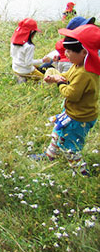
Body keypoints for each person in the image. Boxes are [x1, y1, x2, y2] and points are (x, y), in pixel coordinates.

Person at [30, 24, 100, 177]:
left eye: (68, 51)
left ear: (83, 52)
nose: (65, 54)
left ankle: (81, 173)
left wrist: (59, 83)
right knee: (57, 132)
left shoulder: (85, 73)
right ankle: (49, 156)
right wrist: (54, 76)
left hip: (78, 118)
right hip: (71, 113)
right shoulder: (79, 64)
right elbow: (67, 75)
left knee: (70, 146)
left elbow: (71, 94)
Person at [10, 18, 44, 83]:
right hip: (26, 71)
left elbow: (12, 54)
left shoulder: (13, 42)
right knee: (44, 79)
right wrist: (42, 60)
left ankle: (21, 78)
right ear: (31, 33)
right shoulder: (29, 46)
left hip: (15, 68)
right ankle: (25, 77)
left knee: (36, 67)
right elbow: (28, 64)